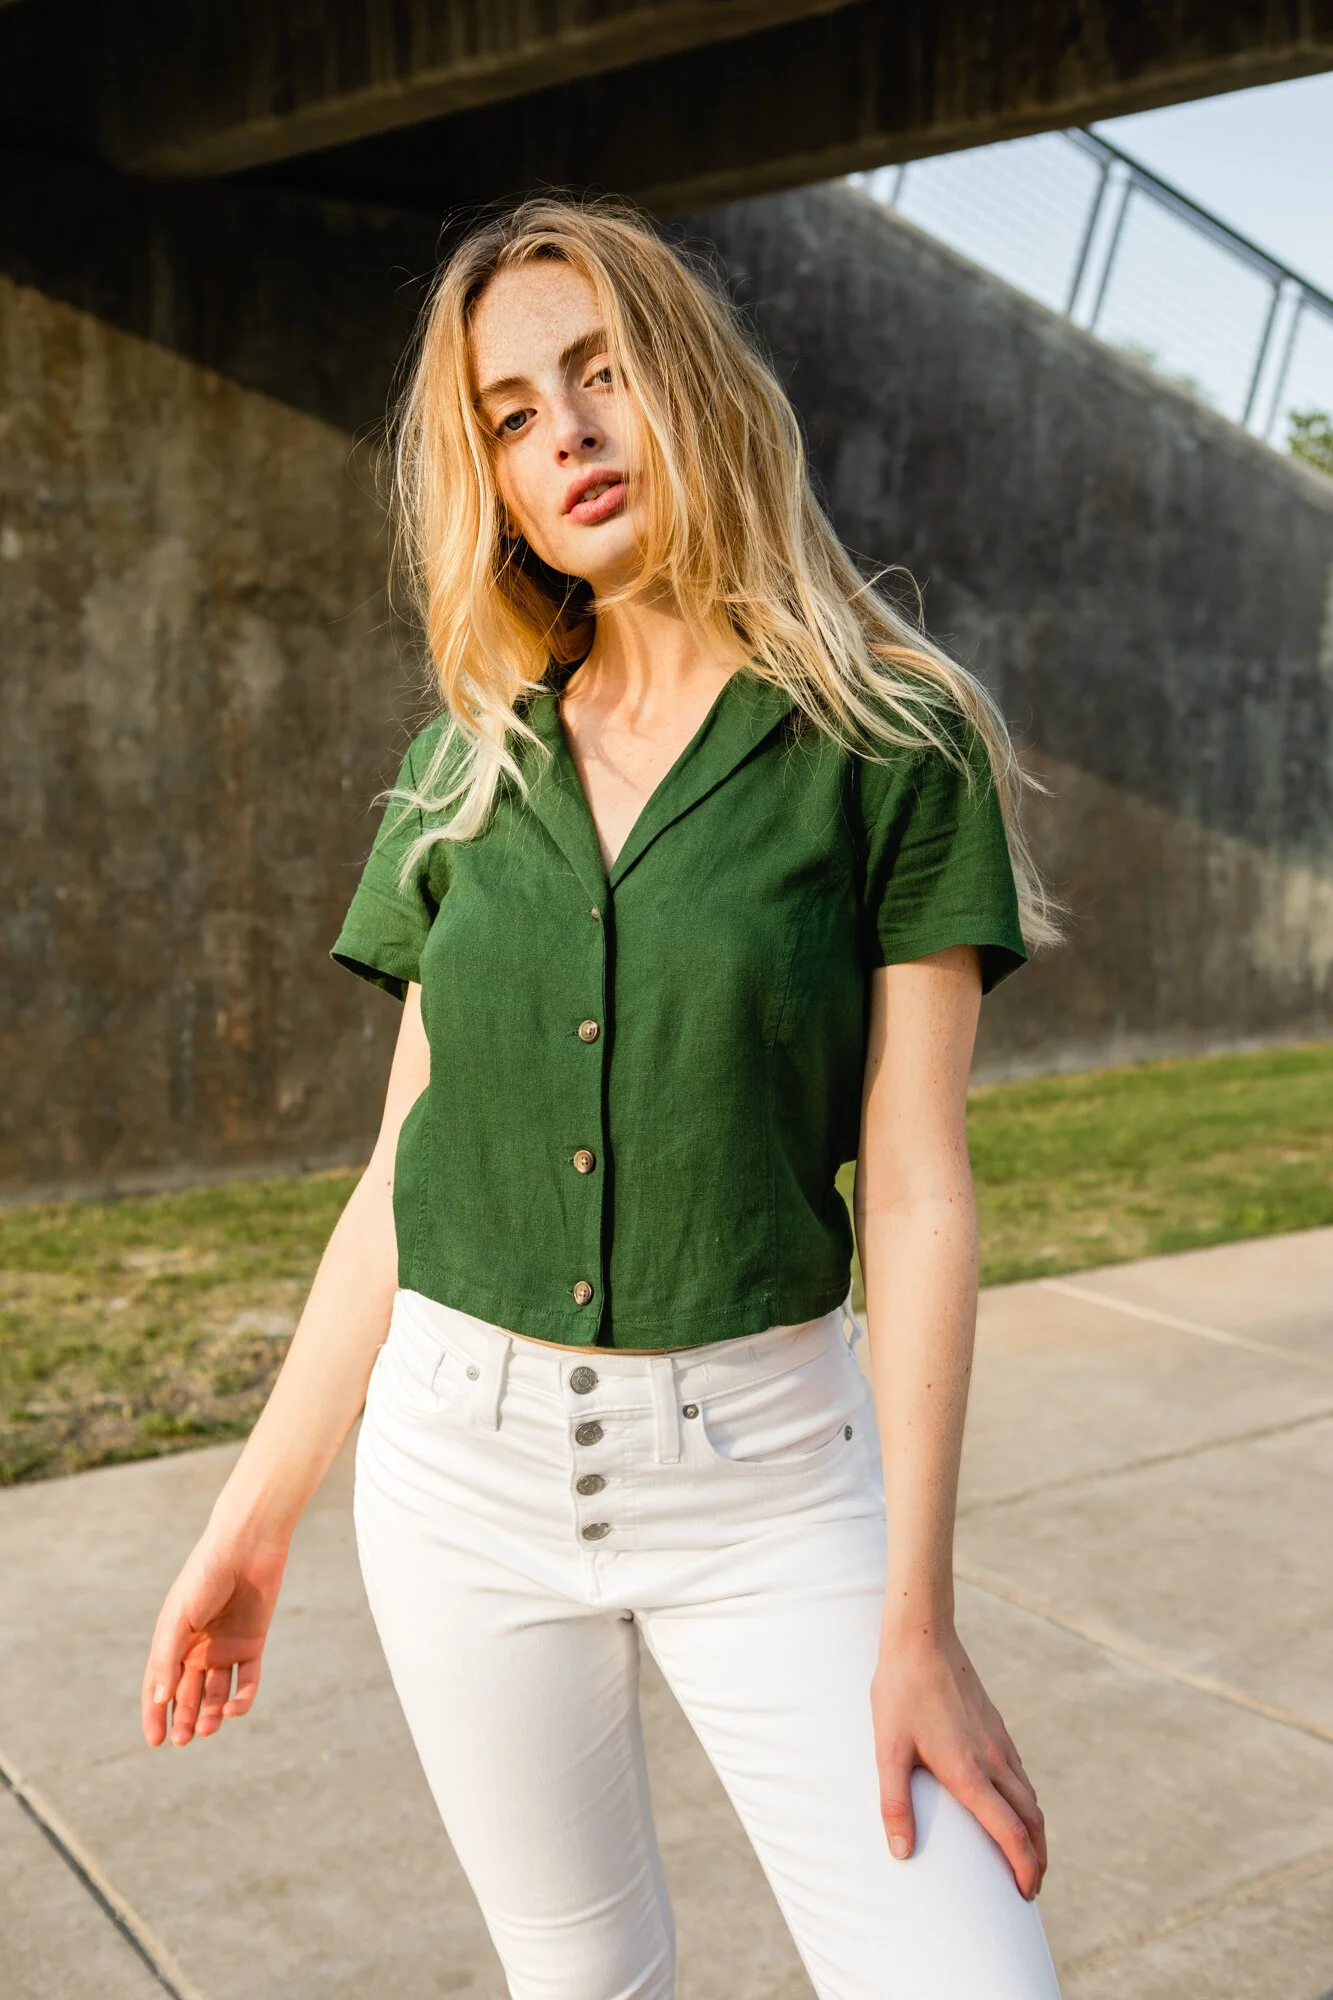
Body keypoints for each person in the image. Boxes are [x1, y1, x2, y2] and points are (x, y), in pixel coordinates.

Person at [141, 193, 1065, 2000]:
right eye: (506, 410)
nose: (561, 430)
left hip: (772, 1486)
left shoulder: (893, 737)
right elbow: (402, 1170)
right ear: (483, 471)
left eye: (602, 370)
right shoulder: (464, 762)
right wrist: (247, 1530)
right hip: (453, 1483)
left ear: (692, 389)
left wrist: (919, 1616)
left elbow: (922, 1183)